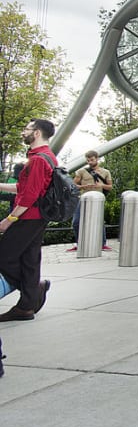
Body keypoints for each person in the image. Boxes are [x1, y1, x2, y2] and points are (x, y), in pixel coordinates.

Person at [0, 119, 55, 322]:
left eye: (27, 129)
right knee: (30, 260)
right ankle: (26, 307)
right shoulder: (45, 157)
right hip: (37, 216)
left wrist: (9, 219)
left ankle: (33, 291)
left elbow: (30, 195)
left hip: (28, 216)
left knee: (3, 257)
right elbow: (24, 188)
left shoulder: (38, 160)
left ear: (37, 132)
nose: (23, 133)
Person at [67, 150, 114, 252]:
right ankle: (79, 243)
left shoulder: (105, 172)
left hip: (98, 199)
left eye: (92, 160)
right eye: (88, 160)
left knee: (99, 221)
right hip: (83, 198)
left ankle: (102, 244)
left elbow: (110, 187)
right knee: (76, 222)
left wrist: (101, 185)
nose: (90, 162)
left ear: (97, 159)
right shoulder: (81, 171)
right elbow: (73, 185)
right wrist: (83, 186)